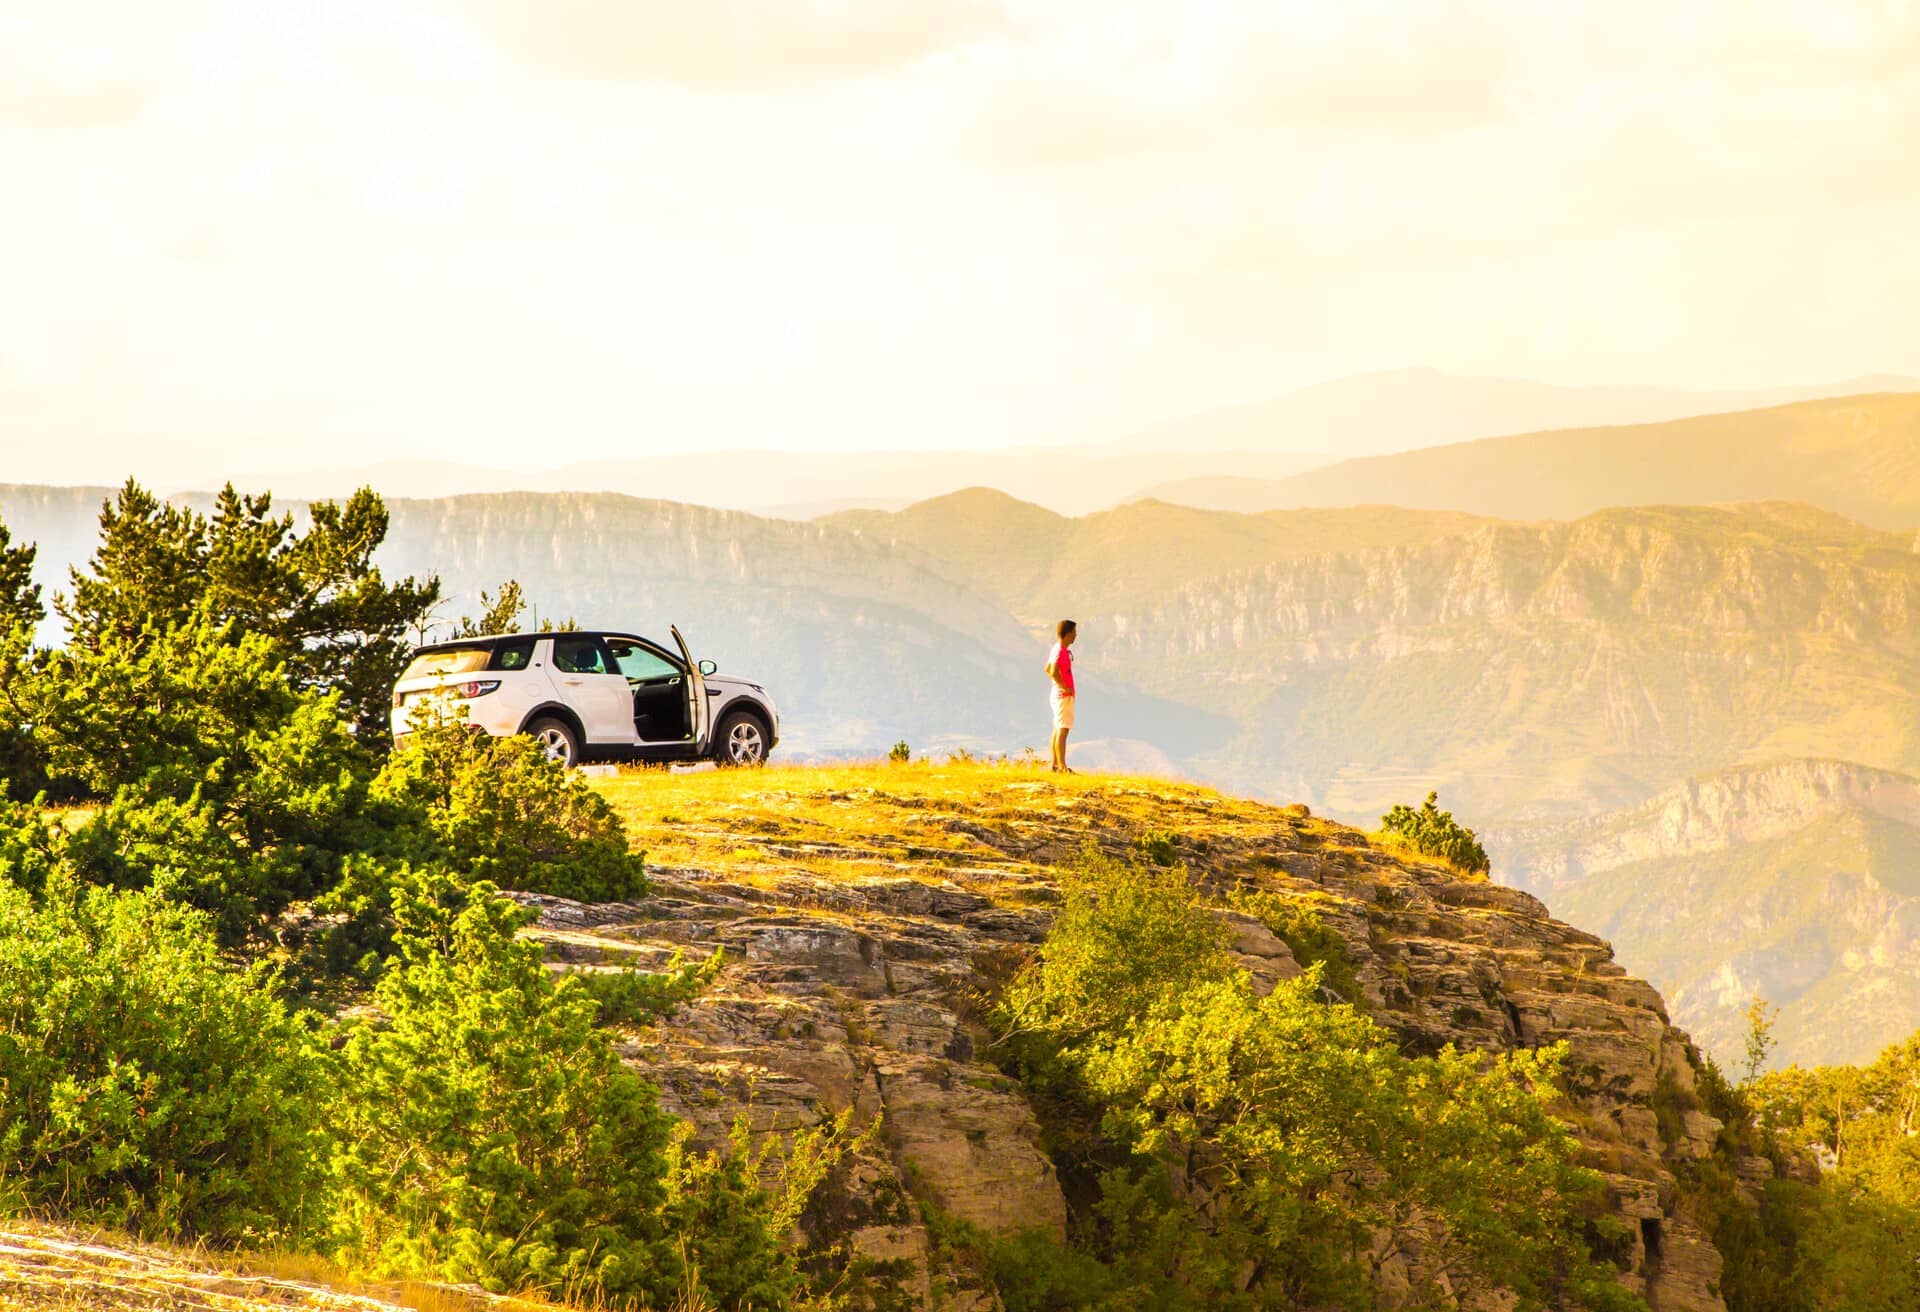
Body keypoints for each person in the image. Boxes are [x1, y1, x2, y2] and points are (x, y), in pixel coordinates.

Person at [1045, 619, 1077, 773]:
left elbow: (1047, 669)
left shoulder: (1056, 649)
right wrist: (1065, 687)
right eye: (1074, 632)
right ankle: (1062, 766)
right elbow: (1052, 671)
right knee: (1063, 730)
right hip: (1063, 695)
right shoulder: (1061, 651)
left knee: (1058, 729)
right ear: (1069, 633)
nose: (1075, 636)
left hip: (1057, 695)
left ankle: (1055, 765)